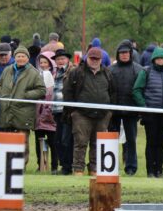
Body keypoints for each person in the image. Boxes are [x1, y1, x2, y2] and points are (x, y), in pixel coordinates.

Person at [63, 46, 115, 175]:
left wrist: (109, 112)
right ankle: (78, 170)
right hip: (81, 114)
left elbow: (113, 93)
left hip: (102, 115)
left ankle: (94, 169)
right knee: (80, 143)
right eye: (92, 58)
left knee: (98, 145)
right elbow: (68, 92)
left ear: (101, 59)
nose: (94, 61)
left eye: (97, 59)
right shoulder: (77, 72)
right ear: (87, 58)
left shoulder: (108, 73)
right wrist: (72, 112)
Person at [132, 46, 163, 178]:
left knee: (161, 143)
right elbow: (136, 90)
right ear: (153, 59)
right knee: (151, 142)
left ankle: (159, 170)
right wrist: (144, 107)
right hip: (150, 113)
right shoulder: (146, 71)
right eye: (157, 58)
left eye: (162, 58)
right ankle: (150, 171)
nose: (160, 60)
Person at [0, 46, 46, 164]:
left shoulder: (34, 72)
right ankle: (7, 166)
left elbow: (42, 90)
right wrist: (1, 94)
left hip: (23, 113)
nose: (20, 58)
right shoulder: (7, 70)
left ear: (28, 58)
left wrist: (26, 95)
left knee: (22, 141)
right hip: (7, 111)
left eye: (23, 56)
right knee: (8, 141)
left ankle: (20, 166)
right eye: (18, 56)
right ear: (14, 57)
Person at [109, 40, 143, 175]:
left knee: (131, 140)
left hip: (131, 110)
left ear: (130, 54)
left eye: (126, 53)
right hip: (114, 111)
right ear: (118, 54)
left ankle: (131, 167)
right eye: (121, 53)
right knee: (112, 139)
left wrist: (140, 111)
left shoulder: (138, 69)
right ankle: (111, 166)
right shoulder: (111, 70)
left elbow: (140, 91)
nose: (124, 55)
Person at [34, 52, 58, 173]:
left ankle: (54, 166)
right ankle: (41, 165)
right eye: (41, 62)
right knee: (39, 141)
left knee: (54, 142)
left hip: (51, 114)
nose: (43, 65)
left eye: (45, 62)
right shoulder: (36, 75)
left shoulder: (55, 76)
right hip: (38, 114)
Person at [52, 49, 74, 175]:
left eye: (63, 59)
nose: (60, 61)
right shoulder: (54, 73)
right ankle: (64, 165)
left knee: (66, 140)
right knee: (58, 140)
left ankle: (67, 166)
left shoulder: (72, 71)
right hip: (56, 110)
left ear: (67, 60)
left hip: (67, 110)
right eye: (58, 59)